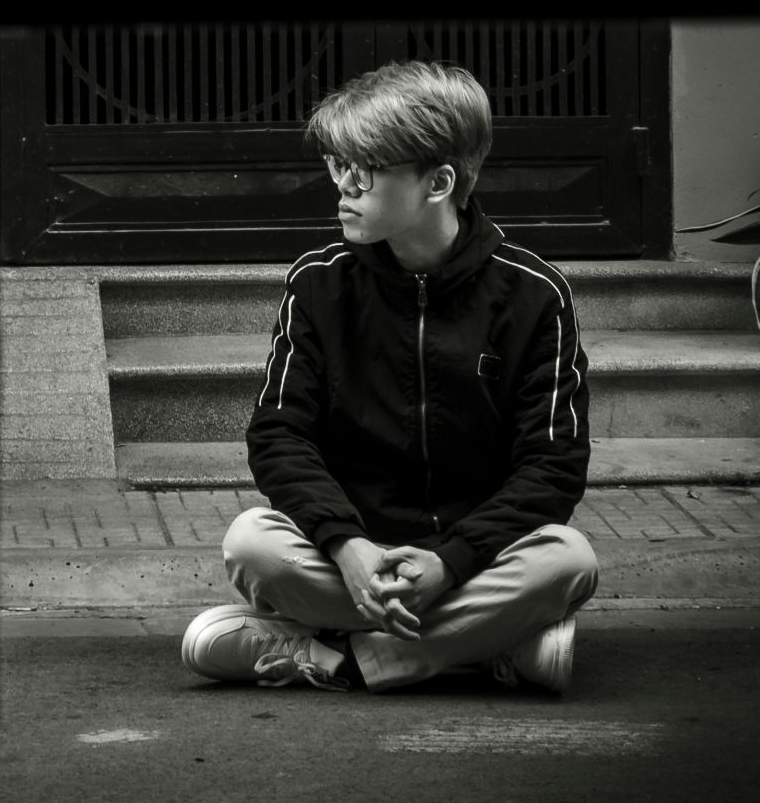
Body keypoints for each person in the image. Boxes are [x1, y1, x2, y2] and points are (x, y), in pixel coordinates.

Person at [180, 60, 599, 694]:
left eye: (365, 169)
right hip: (352, 550)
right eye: (337, 165)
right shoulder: (318, 283)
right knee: (251, 544)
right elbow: (278, 436)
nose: (343, 186)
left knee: (569, 560)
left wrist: (450, 563)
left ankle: (331, 657)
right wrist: (348, 547)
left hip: (471, 554)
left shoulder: (535, 295)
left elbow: (553, 465)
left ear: (438, 182)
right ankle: (487, 646)